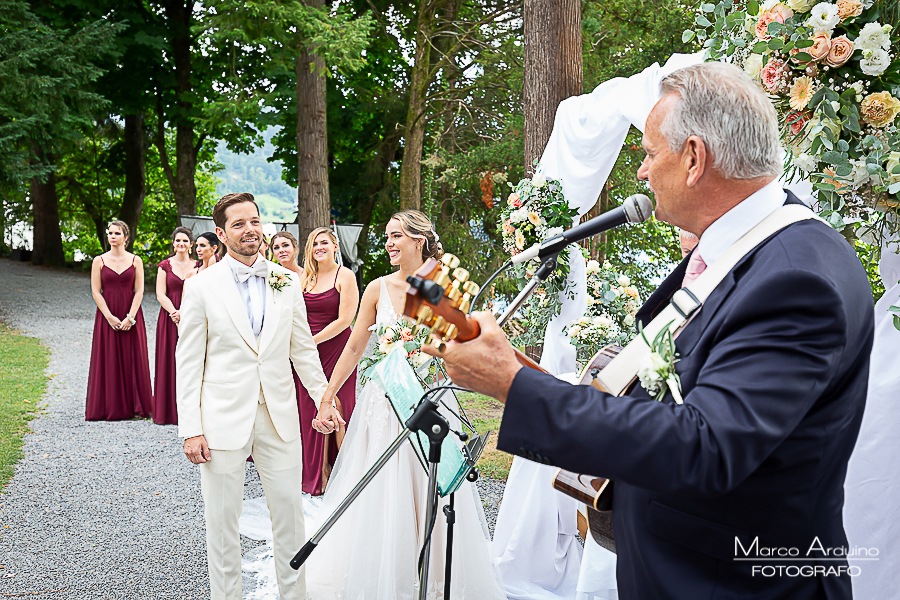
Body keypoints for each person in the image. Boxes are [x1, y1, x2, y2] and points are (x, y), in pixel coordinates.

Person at [426, 62, 874, 600]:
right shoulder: (738, 247)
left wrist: (510, 387)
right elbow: (661, 392)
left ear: (692, 159)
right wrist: (516, 371)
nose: (640, 172)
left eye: (648, 152)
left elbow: (703, 447)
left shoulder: (796, 278)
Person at [306, 210, 505, 600]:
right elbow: (355, 347)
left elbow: (458, 349)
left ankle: (430, 575)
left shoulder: (439, 286)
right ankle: (381, 573)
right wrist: (328, 396)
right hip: (384, 405)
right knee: (382, 487)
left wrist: (438, 349)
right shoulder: (377, 288)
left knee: (427, 484)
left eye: (397, 235)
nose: (389, 244)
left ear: (419, 239)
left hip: (428, 402)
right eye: (386, 237)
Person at [175, 193, 329, 600]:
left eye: (255, 221)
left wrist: (322, 399)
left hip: (279, 416)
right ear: (222, 234)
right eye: (239, 223)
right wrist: (191, 429)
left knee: (290, 520)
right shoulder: (200, 286)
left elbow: (303, 350)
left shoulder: (287, 281)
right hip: (221, 419)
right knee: (223, 523)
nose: (250, 230)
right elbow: (188, 363)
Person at [273, 229, 359, 495]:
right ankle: (318, 473)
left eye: (324, 243)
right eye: (314, 244)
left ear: (335, 246)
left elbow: (346, 319)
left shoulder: (345, 276)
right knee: (311, 408)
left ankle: (346, 472)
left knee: (339, 405)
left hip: (336, 348)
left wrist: (312, 341)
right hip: (307, 354)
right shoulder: (305, 278)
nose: (319, 247)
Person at [85, 220, 153, 421]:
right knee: (110, 357)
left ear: (126, 237)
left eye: (117, 233)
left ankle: (136, 406)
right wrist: (109, 317)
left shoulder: (136, 260)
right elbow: (96, 291)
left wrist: (130, 317)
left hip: (131, 313)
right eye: (110, 233)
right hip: (108, 314)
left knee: (133, 356)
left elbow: (139, 290)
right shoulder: (99, 260)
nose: (112, 236)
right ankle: (110, 406)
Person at [152, 226, 197, 425]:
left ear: (191, 244)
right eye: (178, 241)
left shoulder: (198, 266)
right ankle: (167, 411)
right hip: (170, 318)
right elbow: (160, 293)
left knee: (191, 361)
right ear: (173, 243)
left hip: (193, 316)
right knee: (168, 360)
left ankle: (189, 411)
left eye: (185, 241)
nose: (181, 244)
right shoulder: (164, 266)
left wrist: (186, 313)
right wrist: (174, 313)